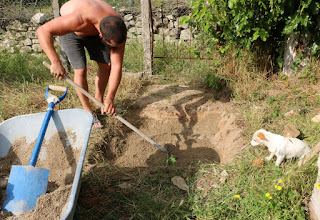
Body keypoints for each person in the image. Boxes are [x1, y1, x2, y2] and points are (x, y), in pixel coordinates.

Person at [36, 0, 127, 129]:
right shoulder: (78, 19)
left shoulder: (117, 27)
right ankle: (88, 111)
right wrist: (55, 62)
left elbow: (116, 66)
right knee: (81, 70)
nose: (114, 49)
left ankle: (100, 102)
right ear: (101, 36)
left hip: (96, 28)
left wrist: (110, 98)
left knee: (106, 65)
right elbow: (43, 31)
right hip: (72, 31)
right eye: (111, 46)